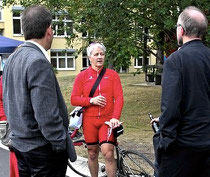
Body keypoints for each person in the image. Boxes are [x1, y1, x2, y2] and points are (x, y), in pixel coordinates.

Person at [2, 5, 72, 177]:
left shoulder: (12, 59)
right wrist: (59, 143)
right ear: (49, 30)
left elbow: (8, 100)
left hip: (21, 146)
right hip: (42, 151)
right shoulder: (37, 61)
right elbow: (46, 115)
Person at [152, 6, 210, 177]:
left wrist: (164, 143)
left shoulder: (175, 61)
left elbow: (171, 107)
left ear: (181, 30)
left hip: (182, 149)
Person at [71, 42, 124, 177]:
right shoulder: (82, 76)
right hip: (89, 121)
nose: (99, 57)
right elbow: (74, 99)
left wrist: (115, 117)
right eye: (96, 54)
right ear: (90, 57)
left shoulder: (112, 75)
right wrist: (90, 100)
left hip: (107, 120)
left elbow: (119, 98)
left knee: (108, 152)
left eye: (102, 54)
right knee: (92, 153)